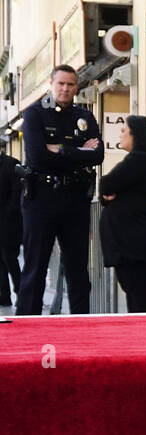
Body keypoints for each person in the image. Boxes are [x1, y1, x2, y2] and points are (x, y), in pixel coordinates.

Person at [15, 65, 103, 315]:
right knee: (35, 267)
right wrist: (78, 152)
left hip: (75, 199)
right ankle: (27, 326)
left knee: (78, 269)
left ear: (77, 87)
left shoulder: (84, 117)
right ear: (51, 84)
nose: (65, 89)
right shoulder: (34, 114)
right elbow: (38, 157)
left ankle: (80, 326)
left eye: (70, 84)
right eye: (60, 84)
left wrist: (61, 150)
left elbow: (97, 155)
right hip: (41, 198)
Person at [98, 115, 146, 312]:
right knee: (138, 292)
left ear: (135, 135)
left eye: (123, 130)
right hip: (134, 241)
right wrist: (107, 196)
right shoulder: (144, 160)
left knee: (138, 294)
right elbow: (107, 191)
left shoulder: (138, 160)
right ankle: (142, 333)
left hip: (133, 242)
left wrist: (109, 193)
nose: (120, 134)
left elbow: (106, 184)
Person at [0, 149, 22, 307]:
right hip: (6, 220)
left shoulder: (11, 164)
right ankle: (4, 295)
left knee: (10, 258)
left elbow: (16, 193)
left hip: (9, 223)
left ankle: (21, 293)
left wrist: (9, 213)